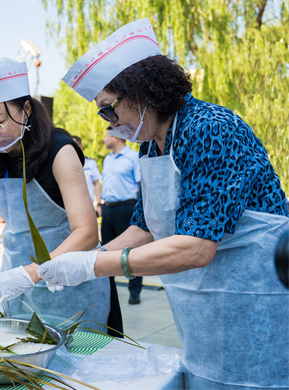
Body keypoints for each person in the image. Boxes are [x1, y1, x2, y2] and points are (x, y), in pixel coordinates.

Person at [39, 19, 289, 389]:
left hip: (254, 296)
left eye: (109, 109)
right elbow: (144, 226)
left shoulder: (209, 127)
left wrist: (96, 262)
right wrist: (81, 260)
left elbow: (197, 247)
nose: (107, 124)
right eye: (102, 114)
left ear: (143, 92)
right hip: (204, 304)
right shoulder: (152, 144)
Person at [0, 58, 123, 336]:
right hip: (14, 279)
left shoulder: (59, 149)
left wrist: (31, 273)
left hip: (70, 280)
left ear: (25, 110)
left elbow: (85, 231)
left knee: (78, 366)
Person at [100, 131, 142, 304]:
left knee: (130, 250)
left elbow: (141, 185)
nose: (104, 139)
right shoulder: (107, 159)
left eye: (107, 136)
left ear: (116, 137)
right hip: (107, 209)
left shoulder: (133, 157)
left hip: (126, 208)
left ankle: (134, 291)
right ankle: (108, 289)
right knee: (106, 249)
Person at [71, 135, 102, 206]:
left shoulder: (90, 163)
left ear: (80, 147)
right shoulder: (65, 165)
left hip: (88, 205)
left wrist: (99, 203)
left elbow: (96, 183)